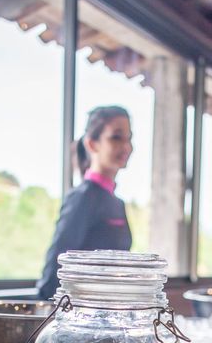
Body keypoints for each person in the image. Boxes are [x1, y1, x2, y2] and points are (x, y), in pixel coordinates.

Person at [36, 106, 133, 300]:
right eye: (116, 137)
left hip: (108, 312)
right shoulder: (83, 197)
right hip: (80, 317)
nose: (126, 146)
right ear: (92, 144)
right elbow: (56, 268)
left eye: (129, 138)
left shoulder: (117, 203)